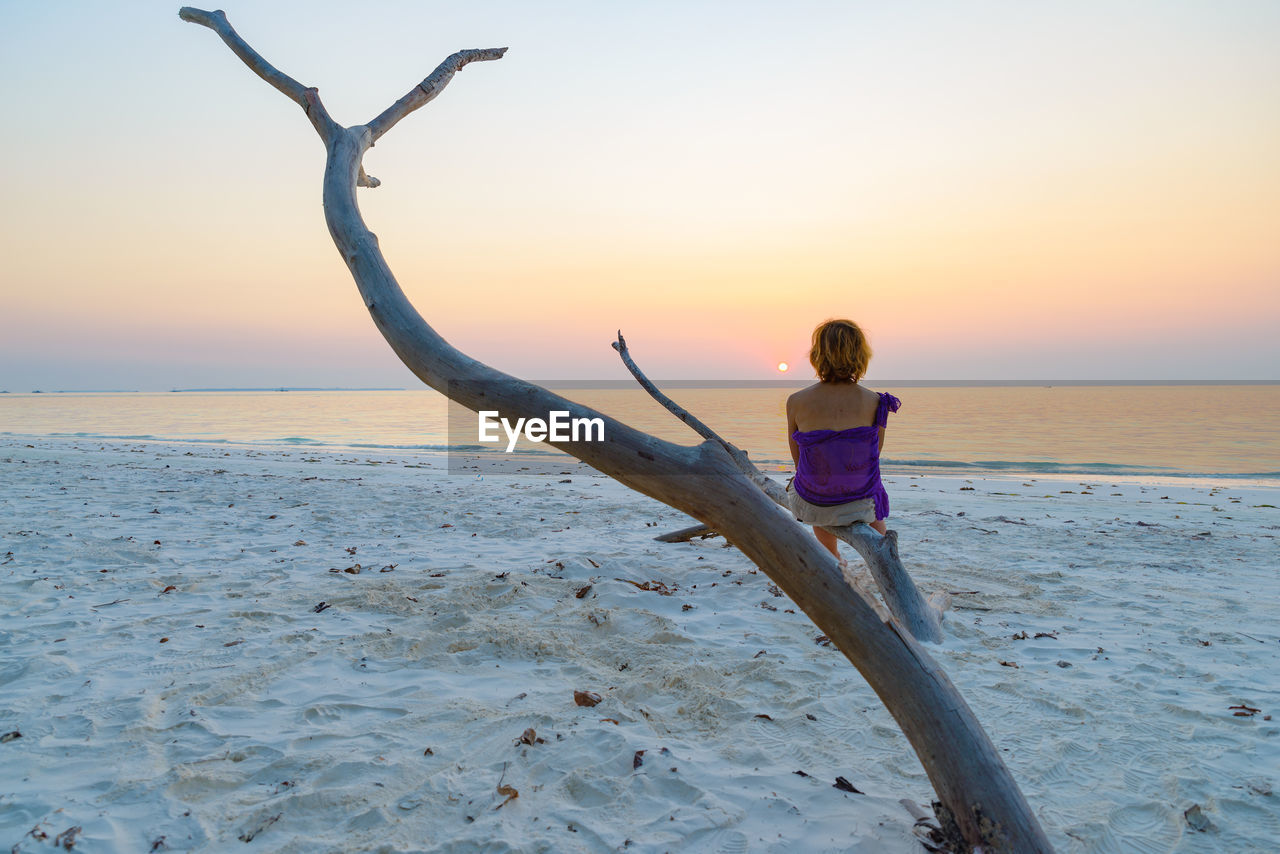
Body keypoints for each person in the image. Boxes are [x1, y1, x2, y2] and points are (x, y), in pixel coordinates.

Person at [785, 319, 900, 559]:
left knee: (814, 482)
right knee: (873, 485)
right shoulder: (875, 401)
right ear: (861, 355)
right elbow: (873, 454)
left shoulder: (796, 401)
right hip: (859, 500)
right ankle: (882, 554)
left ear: (818, 355)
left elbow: (798, 460)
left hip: (814, 500)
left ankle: (833, 556)